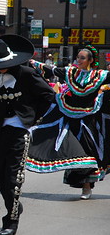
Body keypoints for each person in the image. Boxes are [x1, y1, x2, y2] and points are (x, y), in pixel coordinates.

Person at [0, 35, 55, 235]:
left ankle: (10, 221)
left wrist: (34, 118)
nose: (2, 68)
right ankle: (14, 205)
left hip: (21, 131)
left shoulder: (28, 74)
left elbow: (49, 97)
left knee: (14, 178)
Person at [28, 45, 110, 200]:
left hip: (89, 119)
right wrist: (33, 62)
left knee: (89, 152)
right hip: (70, 117)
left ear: (90, 61)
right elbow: (50, 70)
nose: (78, 60)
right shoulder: (70, 72)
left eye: (82, 58)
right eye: (78, 57)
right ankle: (84, 186)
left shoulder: (100, 75)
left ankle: (87, 187)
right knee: (74, 152)